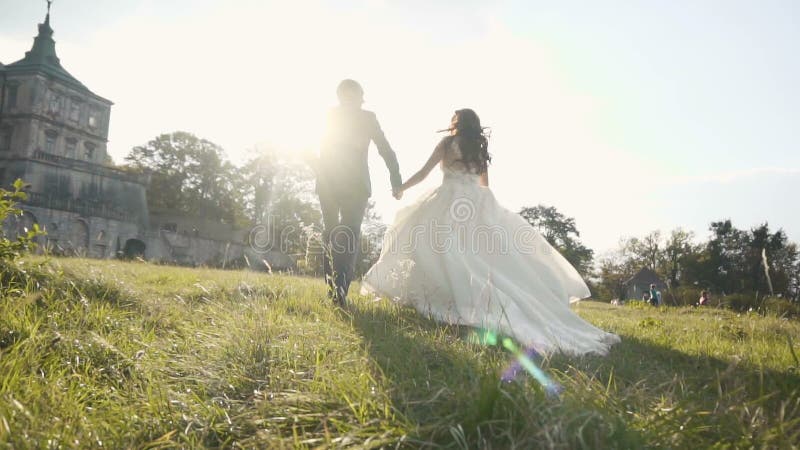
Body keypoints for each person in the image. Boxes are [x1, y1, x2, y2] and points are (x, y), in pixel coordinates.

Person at [361, 109, 620, 356]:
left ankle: (446, 300)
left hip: (449, 201)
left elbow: (424, 172)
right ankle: (459, 299)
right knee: (481, 258)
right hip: (477, 202)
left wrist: (402, 187)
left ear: (457, 123)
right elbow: (484, 184)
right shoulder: (479, 148)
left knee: (435, 248)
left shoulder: (447, 143)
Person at [316, 79, 403, 305]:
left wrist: (396, 179)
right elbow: (318, 146)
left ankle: (339, 291)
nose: (349, 99)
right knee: (334, 233)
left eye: (353, 95)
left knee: (346, 234)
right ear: (341, 96)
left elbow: (385, 149)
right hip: (330, 182)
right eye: (346, 95)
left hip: (350, 185)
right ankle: (334, 289)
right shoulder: (331, 115)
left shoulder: (366, 118)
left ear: (358, 97)